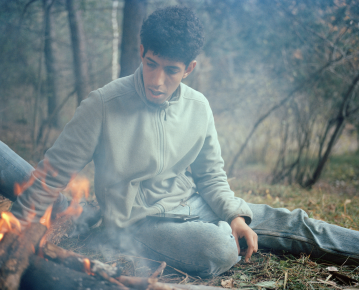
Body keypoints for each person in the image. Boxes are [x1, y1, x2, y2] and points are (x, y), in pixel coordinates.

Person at [1, 6, 358, 277]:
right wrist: (12, 235)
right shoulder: (103, 105)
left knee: (293, 223)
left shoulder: (198, 106)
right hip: (138, 223)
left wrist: (233, 214)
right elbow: (51, 175)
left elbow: (212, 176)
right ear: (142, 51)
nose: (157, 79)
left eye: (171, 70)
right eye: (151, 63)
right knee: (218, 248)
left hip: (196, 204)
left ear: (189, 68)